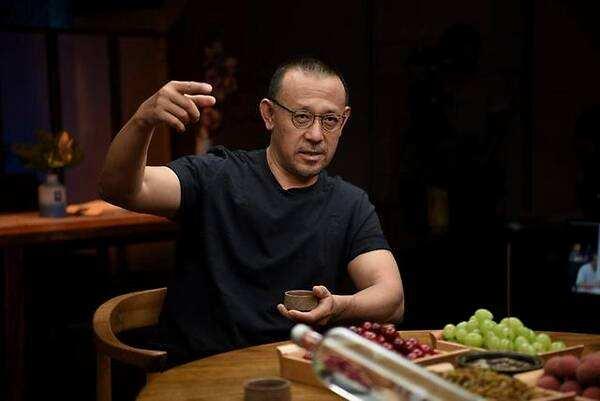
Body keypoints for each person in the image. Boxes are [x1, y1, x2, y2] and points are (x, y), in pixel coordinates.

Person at [99, 57, 404, 364]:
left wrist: (338, 306)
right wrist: (142, 122)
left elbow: (392, 298)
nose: (315, 135)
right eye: (301, 117)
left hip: (293, 370)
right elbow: (121, 189)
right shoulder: (217, 177)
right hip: (203, 372)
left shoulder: (349, 203)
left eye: (329, 120)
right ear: (269, 115)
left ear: (344, 121)